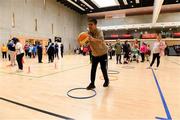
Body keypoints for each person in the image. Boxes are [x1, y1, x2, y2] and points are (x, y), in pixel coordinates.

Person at [85, 19, 109, 90]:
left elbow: (101, 40)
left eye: (91, 24)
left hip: (103, 53)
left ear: (95, 25)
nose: (89, 26)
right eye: (88, 24)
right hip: (95, 54)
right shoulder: (88, 33)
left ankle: (107, 81)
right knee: (93, 69)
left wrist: (92, 39)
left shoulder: (99, 31)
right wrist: (84, 42)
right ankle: (92, 84)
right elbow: (87, 43)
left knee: (103, 68)